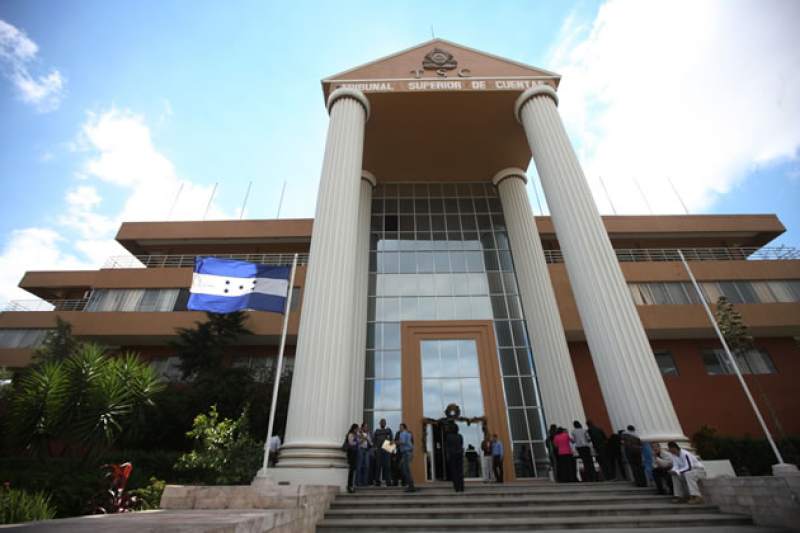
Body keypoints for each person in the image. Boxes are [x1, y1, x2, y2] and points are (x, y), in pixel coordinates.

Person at [372, 418, 393, 487]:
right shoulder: (377, 431)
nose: (383, 423)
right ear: (380, 424)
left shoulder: (388, 430)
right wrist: (375, 449)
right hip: (379, 449)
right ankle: (377, 481)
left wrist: (391, 450)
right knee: (378, 466)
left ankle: (388, 482)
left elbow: (392, 440)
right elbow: (374, 441)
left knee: (387, 466)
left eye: (384, 422)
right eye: (382, 422)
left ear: (385, 423)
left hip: (386, 448)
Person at [444, 422, 465, 492]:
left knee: (454, 472)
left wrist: (448, 456)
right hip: (459, 454)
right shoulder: (460, 436)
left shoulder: (448, 436)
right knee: (460, 471)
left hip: (452, 455)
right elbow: (461, 444)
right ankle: (461, 487)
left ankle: (457, 487)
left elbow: (447, 447)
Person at [397, 423, 416, 492]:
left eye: (400, 427)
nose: (399, 428)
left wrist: (394, 442)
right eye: (399, 427)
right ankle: (410, 485)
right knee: (404, 468)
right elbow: (411, 443)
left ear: (404, 427)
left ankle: (411, 486)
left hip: (406, 453)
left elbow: (403, 442)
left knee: (406, 470)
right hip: (407, 453)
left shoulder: (403, 433)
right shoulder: (408, 433)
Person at [356, 422, 372, 486]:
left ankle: (365, 482)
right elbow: (357, 442)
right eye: (365, 427)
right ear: (362, 427)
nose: (366, 428)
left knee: (367, 466)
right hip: (361, 449)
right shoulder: (358, 433)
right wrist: (363, 438)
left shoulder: (368, 434)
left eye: (367, 427)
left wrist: (367, 439)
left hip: (367, 450)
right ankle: (358, 482)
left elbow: (371, 443)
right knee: (359, 466)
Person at [345, 424, 359, 493]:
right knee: (351, 470)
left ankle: (352, 485)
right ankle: (349, 486)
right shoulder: (350, 435)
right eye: (357, 429)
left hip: (355, 454)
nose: (357, 430)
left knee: (353, 470)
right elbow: (351, 443)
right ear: (354, 429)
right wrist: (357, 442)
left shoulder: (356, 435)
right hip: (351, 454)